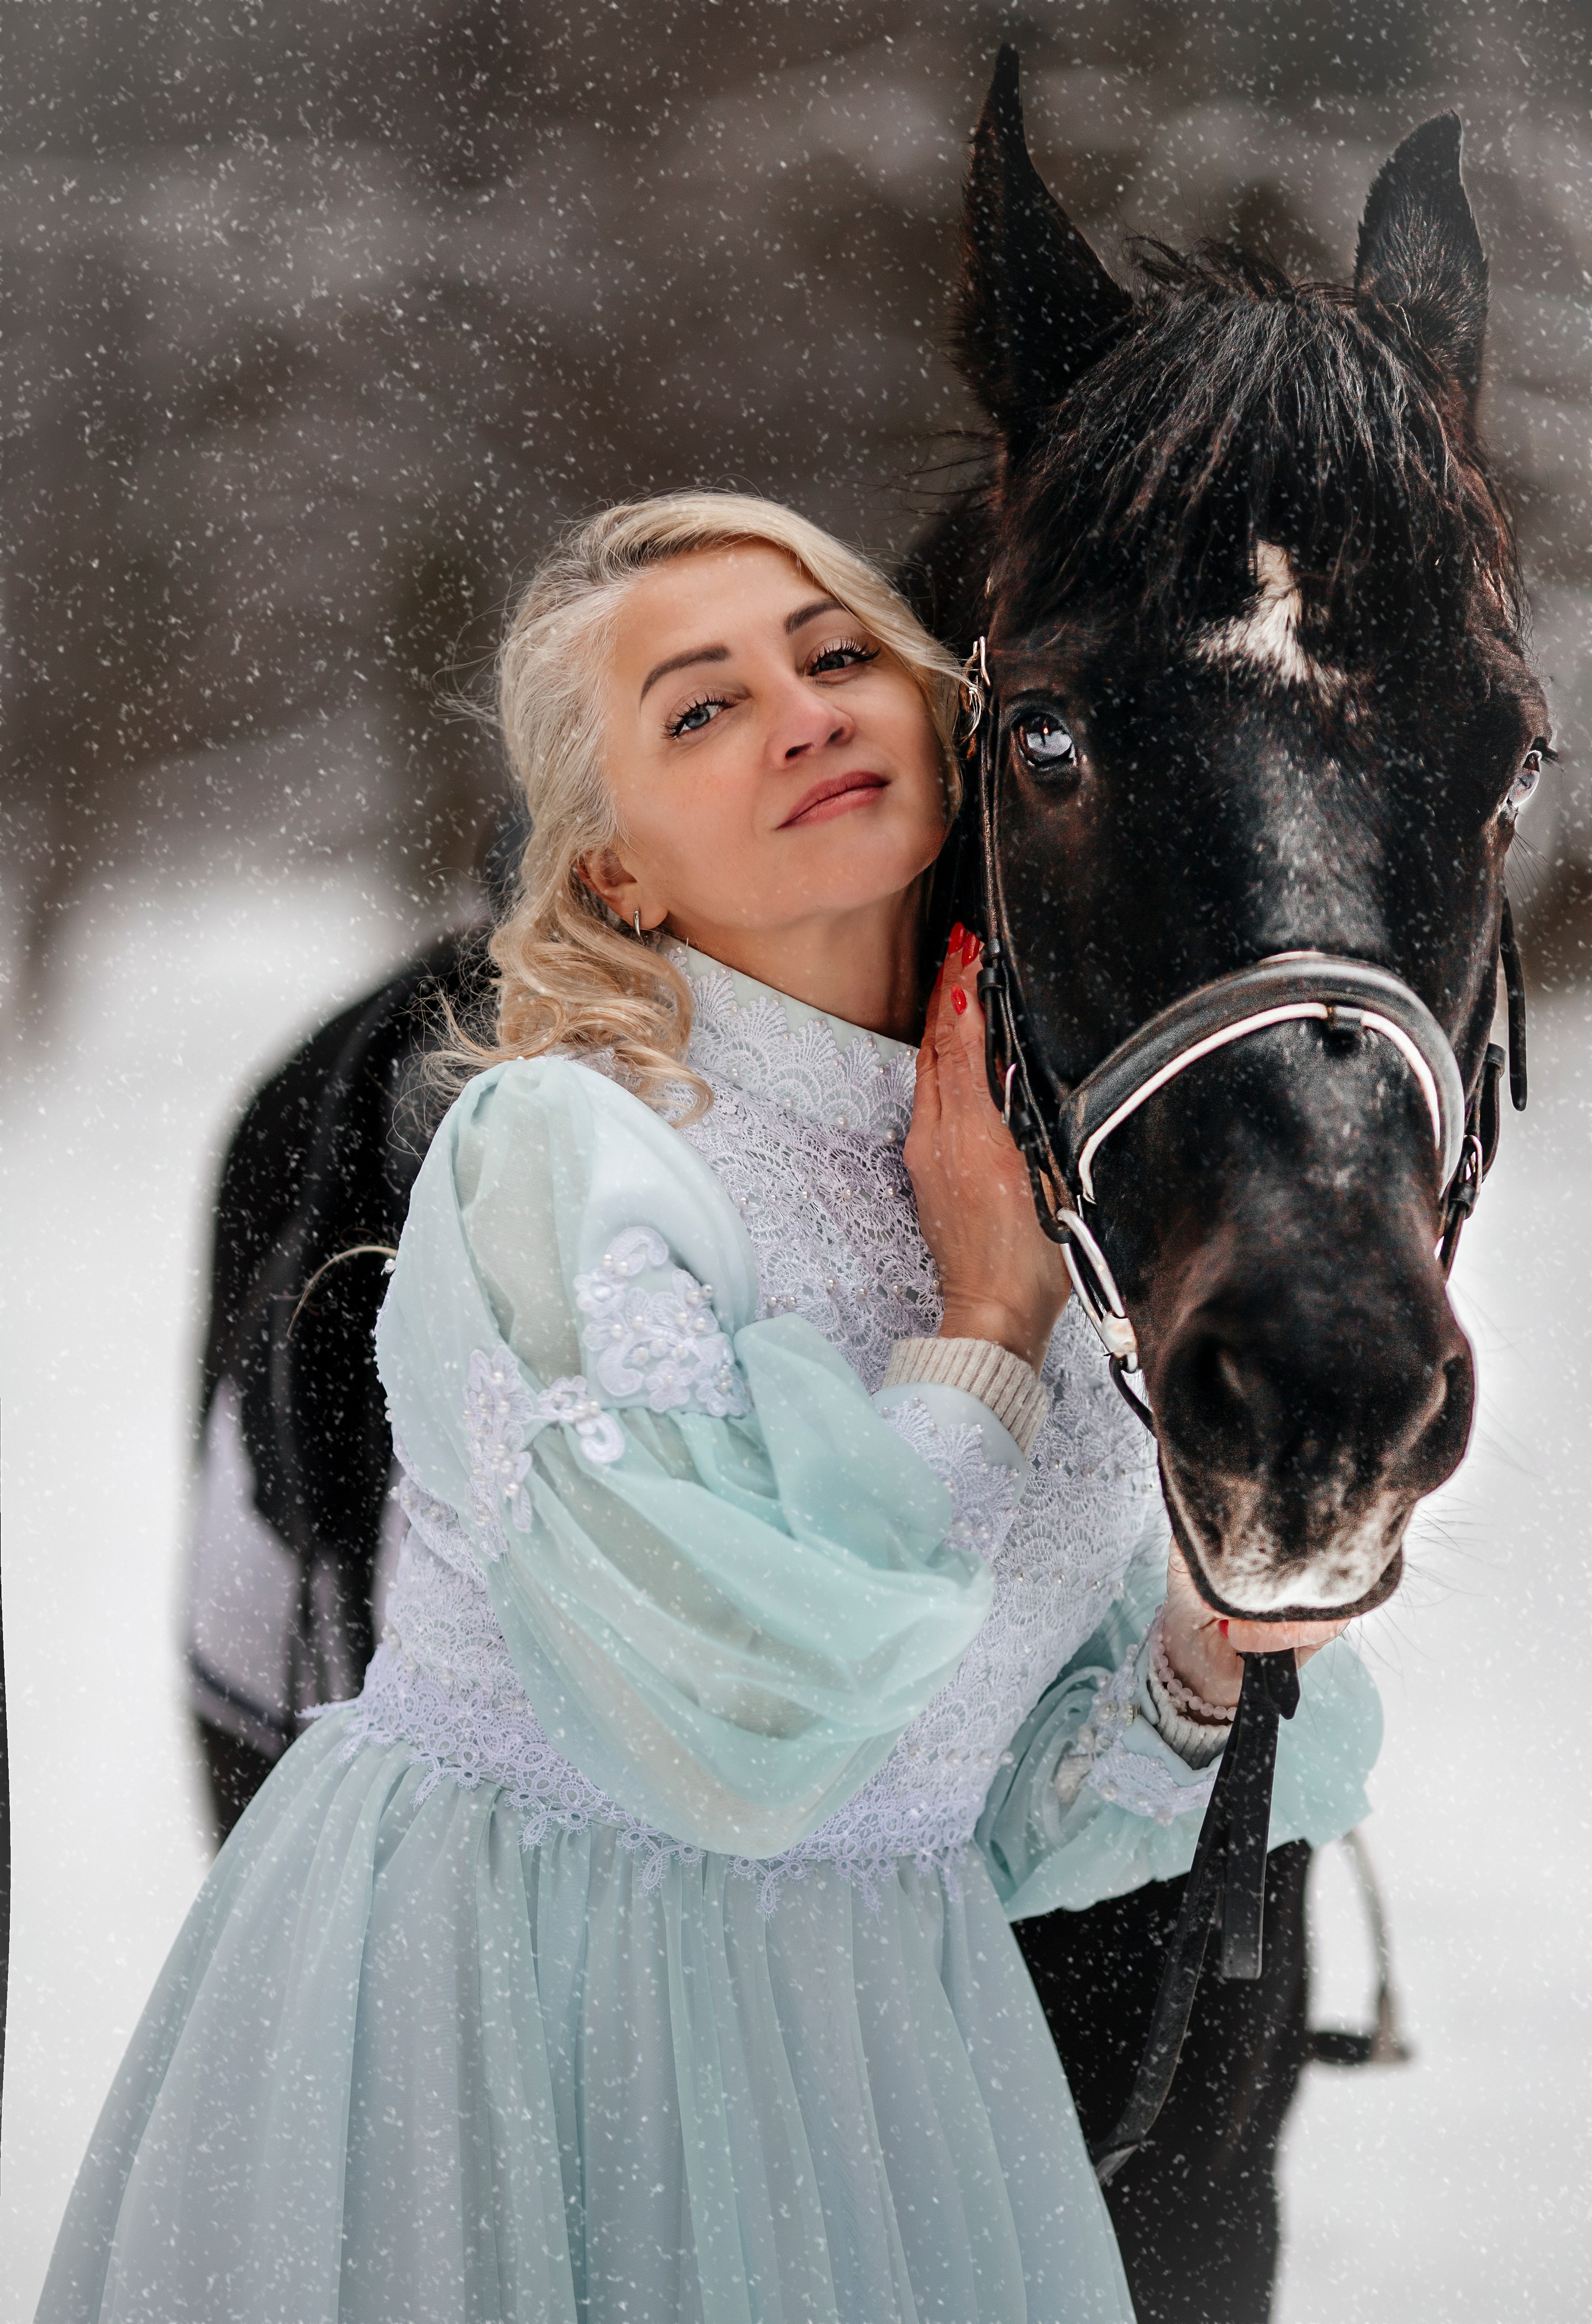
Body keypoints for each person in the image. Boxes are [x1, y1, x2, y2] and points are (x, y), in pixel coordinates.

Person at [40, 492, 1379, 2324]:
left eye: (836, 658)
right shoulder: (562, 1161)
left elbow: (969, 1810)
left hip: (885, 2051)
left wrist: (1197, 1666)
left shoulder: (1033, 1169)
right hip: (535, 2041)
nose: (805, 715)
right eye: (702, 709)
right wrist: (987, 1318)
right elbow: (755, 1731)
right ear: (616, 875)